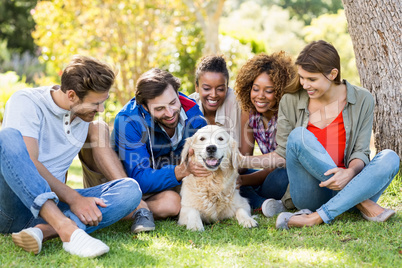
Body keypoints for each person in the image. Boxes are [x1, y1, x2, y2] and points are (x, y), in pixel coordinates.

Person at [0, 55, 142, 258]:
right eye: (95, 104)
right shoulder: (27, 102)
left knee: (129, 189)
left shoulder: (83, 118)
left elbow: (60, 165)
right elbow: (30, 163)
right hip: (13, 209)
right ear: (72, 96)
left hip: (53, 206)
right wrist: (73, 198)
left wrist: (74, 199)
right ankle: (67, 229)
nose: (100, 110)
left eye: (103, 102)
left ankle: (43, 231)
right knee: (7, 138)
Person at [263, 40, 400, 229]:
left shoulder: (362, 99)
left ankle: (314, 218)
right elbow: (285, 152)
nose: (304, 84)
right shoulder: (291, 101)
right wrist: (242, 162)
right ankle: (363, 204)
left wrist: (349, 173)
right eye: (302, 77)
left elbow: (360, 151)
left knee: (390, 158)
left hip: (352, 185)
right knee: (298, 135)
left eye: (311, 79)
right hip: (312, 193)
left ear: (333, 74)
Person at [113, 68, 209, 232]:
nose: (170, 113)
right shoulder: (128, 121)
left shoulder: (194, 115)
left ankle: (132, 211)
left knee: (173, 203)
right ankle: (117, 211)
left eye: (173, 103)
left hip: (164, 184)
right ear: (144, 107)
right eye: (160, 109)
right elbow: (138, 179)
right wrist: (179, 171)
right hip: (124, 182)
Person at [234, 52, 296, 217]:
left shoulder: (286, 114)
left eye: (268, 91)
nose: (260, 96)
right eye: (255, 89)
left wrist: (243, 181)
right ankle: (267, 203)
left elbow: (280, 163)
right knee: (235, 175)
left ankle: (258, 202)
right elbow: (244, 160)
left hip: (286, 174)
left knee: (281, 176)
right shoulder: (249, 112)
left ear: (280, 92)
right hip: (264, 174)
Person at [189, 55, 241, 144]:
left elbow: (244, 153)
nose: (213, 95)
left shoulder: (238, 104)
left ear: (227, 88)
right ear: (196, 87)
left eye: (220, 89)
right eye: (206, 88)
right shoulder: (189, 105)